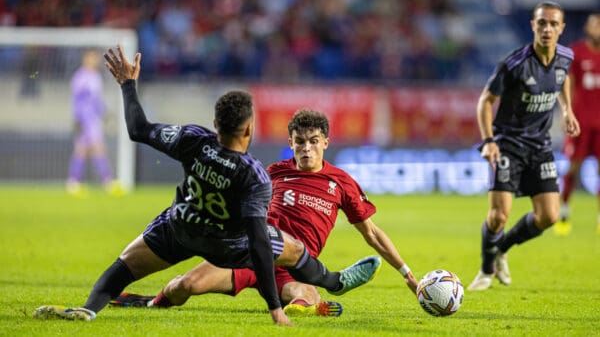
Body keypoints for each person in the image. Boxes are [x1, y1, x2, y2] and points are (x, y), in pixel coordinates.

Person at [32, 46, 381, 325]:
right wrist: (274, 307)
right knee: (291, 248)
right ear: (249, 131)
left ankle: (90, 308)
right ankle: (334, 282)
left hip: (180, 226)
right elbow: (259, 242)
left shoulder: (193, 139)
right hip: (227, 245)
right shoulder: (254, 176)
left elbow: (138, 129)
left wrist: (127, 85)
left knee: (124, 266)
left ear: (215, 123)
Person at [109, 108, 419, 317]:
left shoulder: (341, 182)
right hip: (247, 252)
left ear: (325, 142)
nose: (306, 148)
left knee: (302, 299)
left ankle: (315, 302)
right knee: (184, 286)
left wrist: (409, 276)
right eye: (300, 142)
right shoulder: (272, 172)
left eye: (313, 142)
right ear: (290, 142)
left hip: (292, 265)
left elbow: (372, 232)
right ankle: (151, 303)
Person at [467, 1, 580, 291]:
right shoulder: (514, 63)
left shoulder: (566, 57)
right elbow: (485, 101)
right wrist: (489, 141)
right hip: (507, 144)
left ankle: (502, 248)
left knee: (549, 216)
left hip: (540, 146)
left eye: (553, 24)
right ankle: (486, 268)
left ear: (561, 28)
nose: (547, 29)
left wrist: (567, 110)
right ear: (533, 25)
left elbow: (562, 79)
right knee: (498, 216)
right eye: (542, 23)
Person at [555, 13, 600, 236]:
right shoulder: (576, 52)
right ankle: (563, 210)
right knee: (573, 167)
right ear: (587, 27)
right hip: (581, 122)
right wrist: (567, 112)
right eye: (595, 25)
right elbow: (567, 82)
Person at [66, 48, 122, 197]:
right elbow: (77, 100)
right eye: (91, 57)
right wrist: (78, 118)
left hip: (94, 119)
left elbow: (96, 100)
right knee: (96, 149)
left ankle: (73, 183)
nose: (94, 60)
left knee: (83, 150)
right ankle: (107, 182)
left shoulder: (96, 76)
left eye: (95, 58)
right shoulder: (80, 77)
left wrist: (104, 113)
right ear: (85, 59)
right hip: (86, 119)